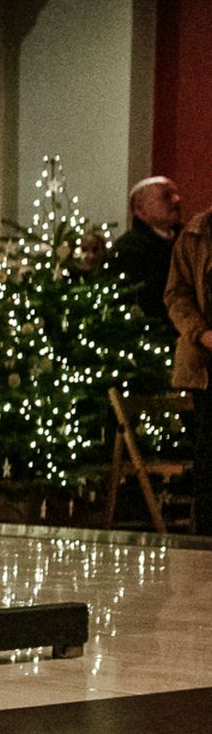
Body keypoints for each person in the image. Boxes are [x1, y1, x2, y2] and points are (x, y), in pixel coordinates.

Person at [168, 201, 212, 533]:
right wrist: (201, 333)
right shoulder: (196, 235)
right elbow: (176, 294)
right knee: (208, 454)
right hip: (206, 363)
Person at [115, 176, 184, 338]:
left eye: (176, 194)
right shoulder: (128, 248)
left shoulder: (190, 242)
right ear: (141, 209)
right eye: (166, 196)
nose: (177, 200)